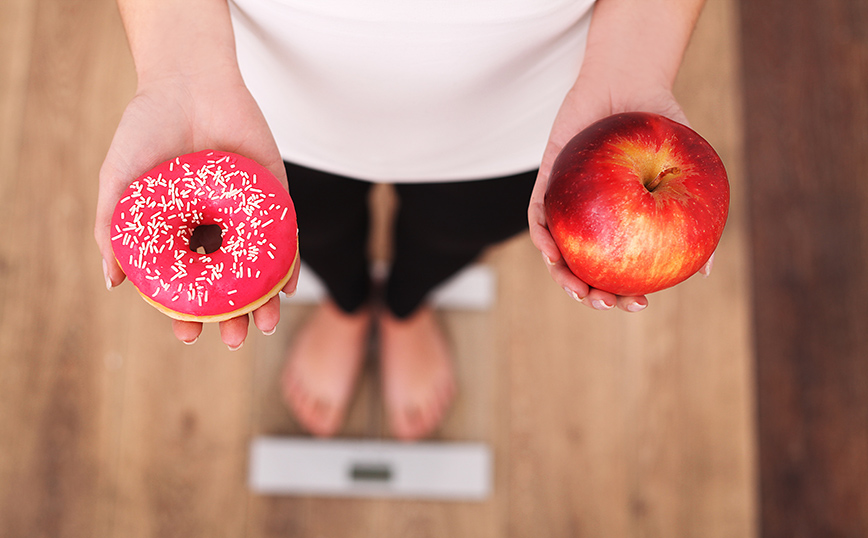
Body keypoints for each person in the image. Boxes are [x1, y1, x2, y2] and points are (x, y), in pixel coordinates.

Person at [95, 0, 710, 441]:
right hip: (253, 101)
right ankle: (347, 300)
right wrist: (178, 66)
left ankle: (406, 305)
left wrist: (634, 64)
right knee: (315, 232)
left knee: (455, 233)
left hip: (535, 111)